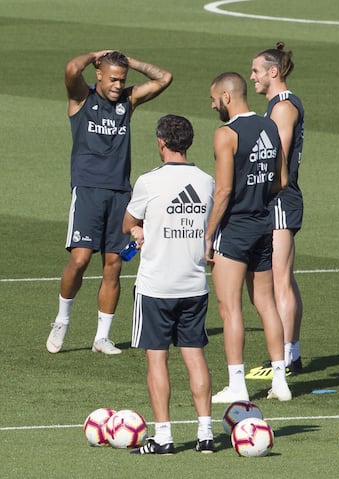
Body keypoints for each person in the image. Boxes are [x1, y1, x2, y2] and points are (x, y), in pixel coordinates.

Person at [46, 50, 172, 355]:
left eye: (122, 79)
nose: (118, 85)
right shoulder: (81, 99)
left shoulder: (127, 101)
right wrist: (92, 55)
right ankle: (62, 320)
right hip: (88, 190)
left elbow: (164, 78)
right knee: (80, 259)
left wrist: (132, 62)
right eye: (113, 78)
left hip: (120, 193)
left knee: (114, 265)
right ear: (98, 74)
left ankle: (102, 337)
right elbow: (70, 68)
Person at [123, 114, 215, 454]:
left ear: (161, 142)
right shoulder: (206, 181)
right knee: (195, 357)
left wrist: (138, 230)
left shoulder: (149, 182)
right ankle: (206, 434)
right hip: (194, 285)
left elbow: (128, 222)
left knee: (156, 360)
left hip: (157, 286)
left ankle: (163, 436)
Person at [205, 72, 291, 403]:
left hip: (236, 228)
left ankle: (237, 385)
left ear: (227, 97)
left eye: (214, 99)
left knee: (230, 308)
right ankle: (280, 382)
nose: (213, 105)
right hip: (263, 223)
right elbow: (281, 180)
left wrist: (208, 234)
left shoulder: (226, 134)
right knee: (266, 304)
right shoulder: (269, 126)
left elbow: (224, 190)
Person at [248, 42, 304, 376]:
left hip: (279, 199)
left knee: (279, 280)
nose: (251, 76)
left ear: (273, 72)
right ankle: (291, 354)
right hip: (278, 198)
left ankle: (282, 359)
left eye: (256, 70)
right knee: (285, 279)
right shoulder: (275, 106)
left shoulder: (283, 106)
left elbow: (277, 156)